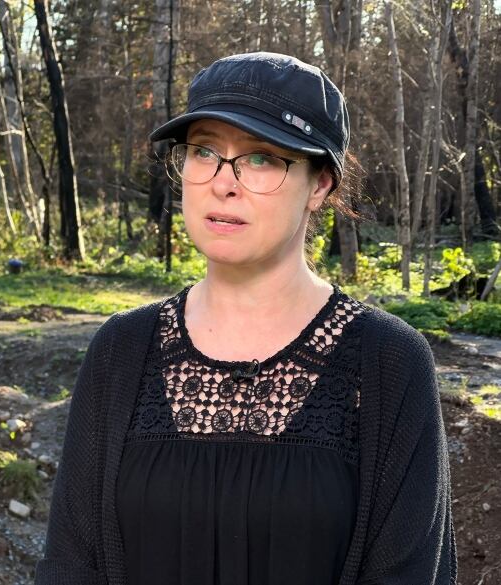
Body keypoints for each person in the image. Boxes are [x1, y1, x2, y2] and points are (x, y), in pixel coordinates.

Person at [34, 52, 457, 585]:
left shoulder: (387, 363)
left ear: (321, 183)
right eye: (205, 151)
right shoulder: (121, 350)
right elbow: (70, 566)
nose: (222, 183)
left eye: (261, 158)